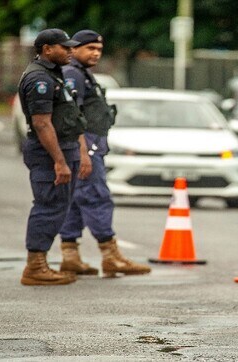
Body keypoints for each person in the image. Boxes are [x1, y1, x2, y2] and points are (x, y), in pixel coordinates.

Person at [58, 30, 151, 278]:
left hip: (88, 145)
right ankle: (111, 256)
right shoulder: (72, 74)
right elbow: (72, 117)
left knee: (76, 201)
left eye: (98, 50)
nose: (95, 54)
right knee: (96, 197)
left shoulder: (81, 74)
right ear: (74, 48)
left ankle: (70, 255)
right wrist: (83, 154)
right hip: (85, 147)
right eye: (89, 49)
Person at [18, 28, 91, 285]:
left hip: (65, 148)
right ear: (47, 49)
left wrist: (78, 152)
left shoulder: (54, 74)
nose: (71, 51)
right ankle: (35, 267)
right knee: (48, 206)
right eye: (65, 47)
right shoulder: (40, 79)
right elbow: (42, 124)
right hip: (49, 153)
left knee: (58, 206)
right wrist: (59, 161)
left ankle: (40, 262)